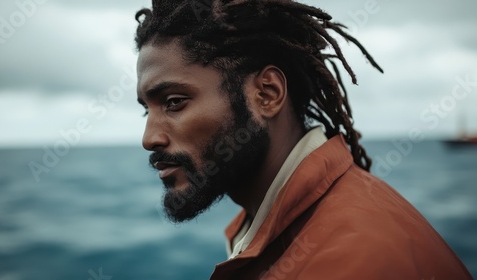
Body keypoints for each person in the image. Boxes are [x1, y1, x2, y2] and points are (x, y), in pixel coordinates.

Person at [134, 0, 472, 279]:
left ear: (267, 94)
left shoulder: (355, 261)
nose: (149, 137)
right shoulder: (271, 225)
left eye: (174, 102)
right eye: (145, 110)